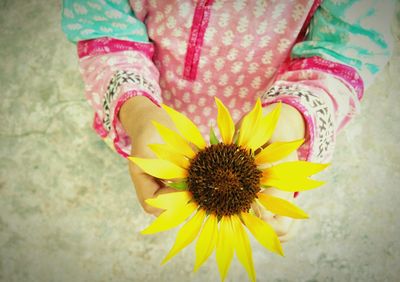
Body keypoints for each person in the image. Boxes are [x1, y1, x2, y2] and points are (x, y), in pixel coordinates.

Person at [61, 0, 395, 241]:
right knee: (151, 164)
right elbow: (99, 20)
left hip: (264, 114)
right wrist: (138, 113)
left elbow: (351, 45)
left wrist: (291, 121)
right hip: (153, 101)